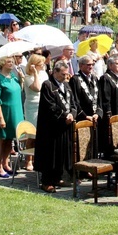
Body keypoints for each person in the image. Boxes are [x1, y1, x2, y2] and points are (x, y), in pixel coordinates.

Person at [35, 61, 77, 193]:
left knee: (62, 154)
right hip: (52, 127)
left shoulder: (67, 85)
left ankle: (58, 177)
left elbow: (74, 103)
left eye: (66, 74)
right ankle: (47, 181)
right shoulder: (48, 85)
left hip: (65, 126)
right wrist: (65, 116)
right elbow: (50, 106)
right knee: (51, 155)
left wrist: (72, 114)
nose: (65, 76)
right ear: (55, 72)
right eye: (63, 74)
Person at [0, 55, 23, 177]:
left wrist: (21, 79)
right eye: (9, 62)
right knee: (2, 138)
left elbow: (18, 91)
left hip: (15, 111)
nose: (12, 63)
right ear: (2, 63)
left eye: (13, 62)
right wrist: (0, 117)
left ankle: (6, 162)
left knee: (10, 139)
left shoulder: (13, 77)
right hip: (4, 112)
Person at [24, 53, 48, 126]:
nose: (43, 65)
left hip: (44, 103)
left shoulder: (44, 74)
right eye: (41, 64)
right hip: (33, 106)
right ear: (34, 65)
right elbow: (37, 88)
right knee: (34, 128)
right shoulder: (28, 77)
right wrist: (35, 73)